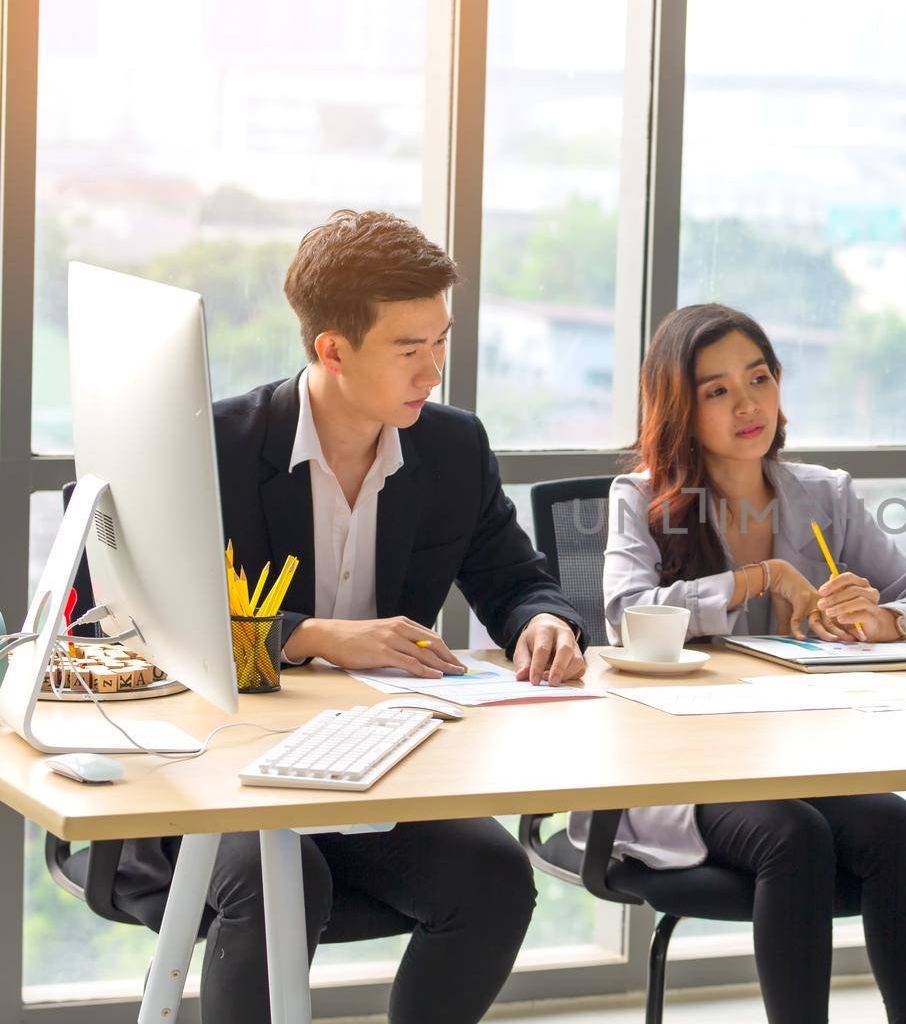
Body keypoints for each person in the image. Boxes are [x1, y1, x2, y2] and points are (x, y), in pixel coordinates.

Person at [111, 210, 589, 1024]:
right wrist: (314, 636)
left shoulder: (452, 449)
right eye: (410, 349)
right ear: (331, 349)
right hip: (218, 781)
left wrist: (548, 623)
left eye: (439, 341)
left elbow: (516, 581)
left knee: (496, 875)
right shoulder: (216, 448)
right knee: (281, 878)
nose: (434, 368)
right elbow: (133, 623)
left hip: (376, 772)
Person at [596, 303, 906, 1024]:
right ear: (679, 404)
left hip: (799, 762)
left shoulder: (825, 495)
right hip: (683, 770)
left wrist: (881, 619)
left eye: (758, 378)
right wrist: (758, 577)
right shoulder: (640, 499)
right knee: (794, 837)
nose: (748, 402)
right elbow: (625, 614)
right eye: (717, 389)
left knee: (893, 829)